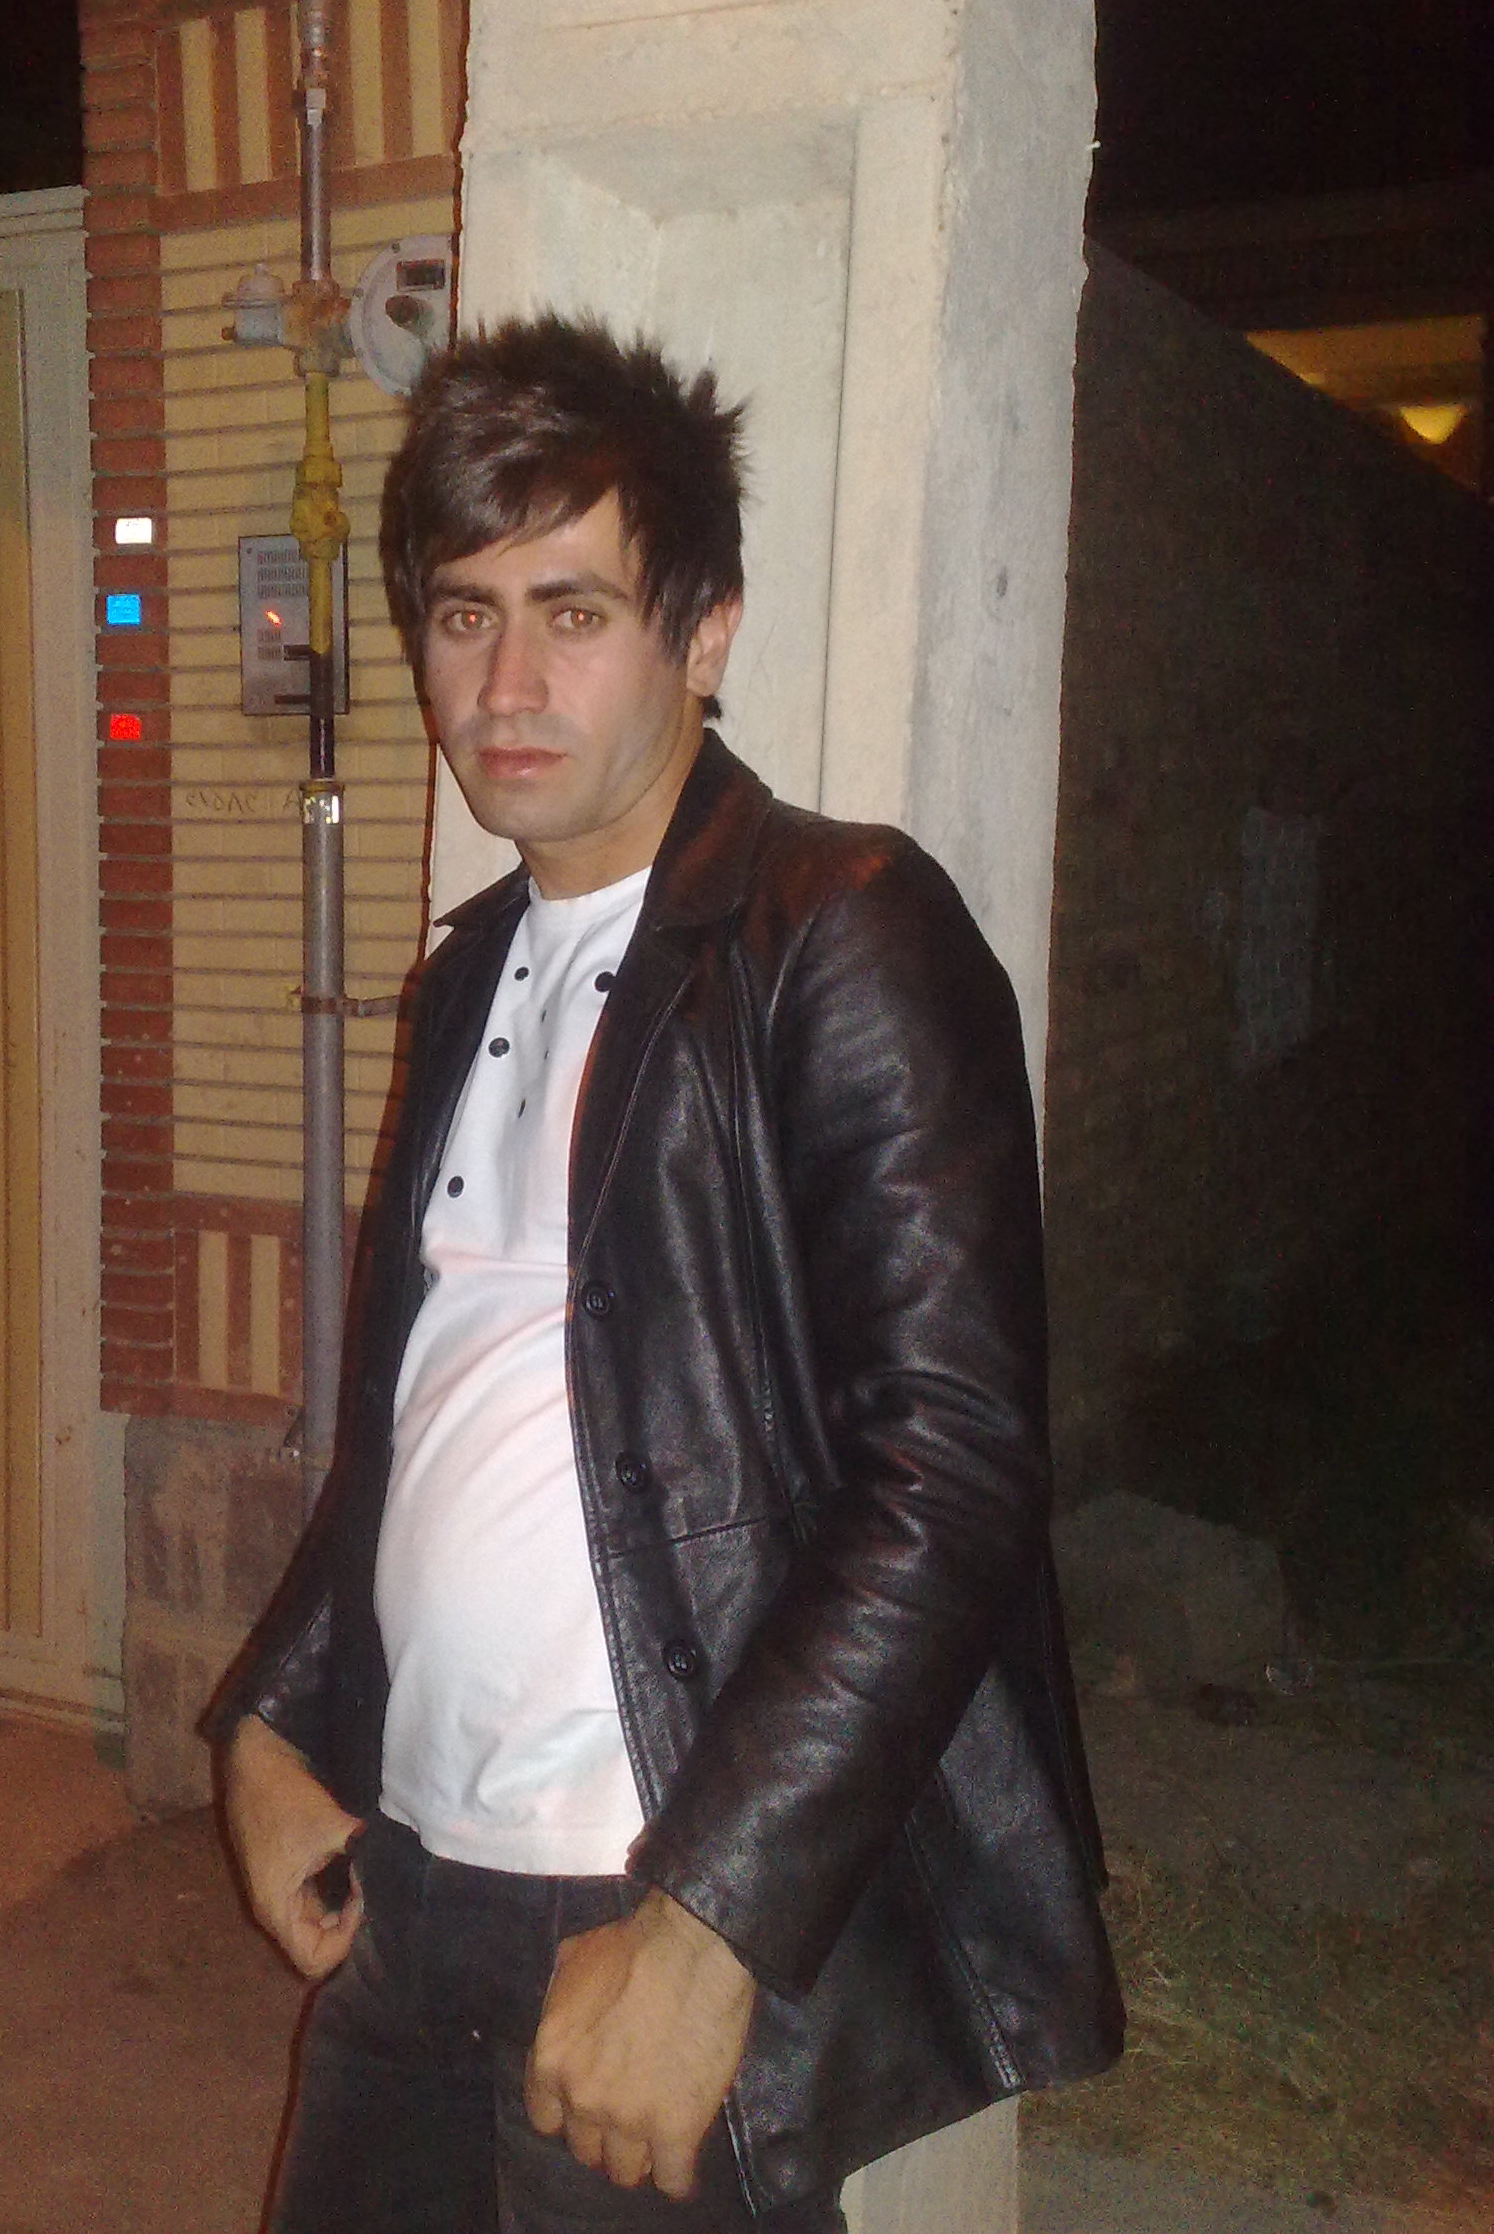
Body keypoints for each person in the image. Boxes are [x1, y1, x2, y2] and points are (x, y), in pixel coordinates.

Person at [209, 315, 1122, 2232]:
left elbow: (951, 1473)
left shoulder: (837, 936)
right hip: (414, 1885)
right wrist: (281, 1714)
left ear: (703, 634)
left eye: (574, 612)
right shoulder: (466, 970)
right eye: (463, 615)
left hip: (642, 1905)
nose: (506, 683)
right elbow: (430, 1407)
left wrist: (713, 1926)